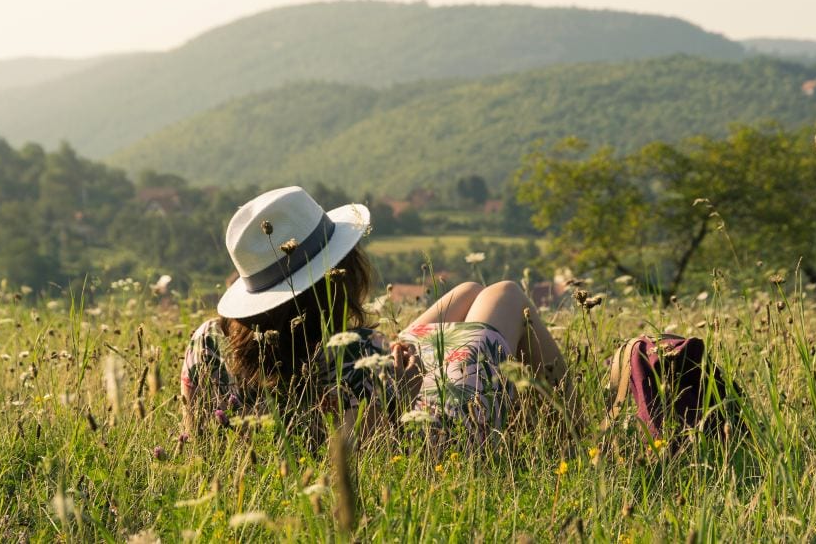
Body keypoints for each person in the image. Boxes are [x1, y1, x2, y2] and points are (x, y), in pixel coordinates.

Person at [180, 186, 567, 443]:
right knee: (507, 294)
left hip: (371, 379)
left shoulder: (208, 340)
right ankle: (574, 433)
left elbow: (196, 439)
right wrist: (401, 385)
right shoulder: (357, 352)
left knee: (466, 293)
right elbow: (379, 457)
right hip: (436, 442)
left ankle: (548, 418)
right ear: (342, 273)